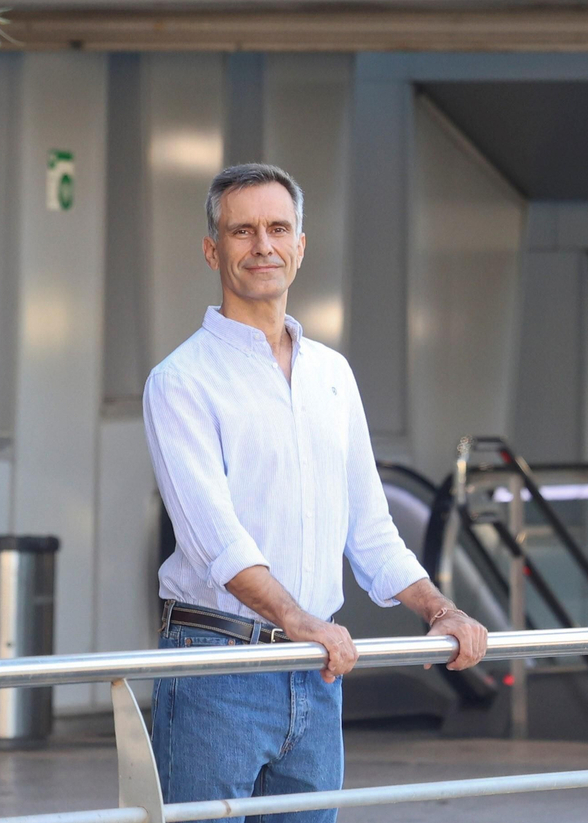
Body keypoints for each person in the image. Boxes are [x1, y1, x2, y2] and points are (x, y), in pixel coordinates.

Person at [143, 162, 489, 822]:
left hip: (317, 671)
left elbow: (370, 529)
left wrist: (440, 611)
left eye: (278, 228)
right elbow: (215, 538)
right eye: (242, 231)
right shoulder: (181, 381)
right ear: (214, 250)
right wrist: (300, 619)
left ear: (302, 245)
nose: (262, 245)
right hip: (218, 666)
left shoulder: (332, 374)